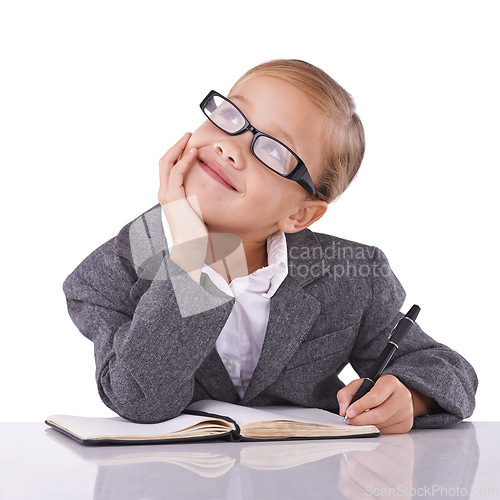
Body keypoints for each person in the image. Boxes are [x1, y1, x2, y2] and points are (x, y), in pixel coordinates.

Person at [62, 59, 477, 434]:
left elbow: (448, 370)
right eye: (230, 116)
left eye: (275, 152)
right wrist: (191, 255)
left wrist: (409, 396)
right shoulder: (111, 272)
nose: (231, 146)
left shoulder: (351, 272)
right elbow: (140, 399)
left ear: (300, 216)